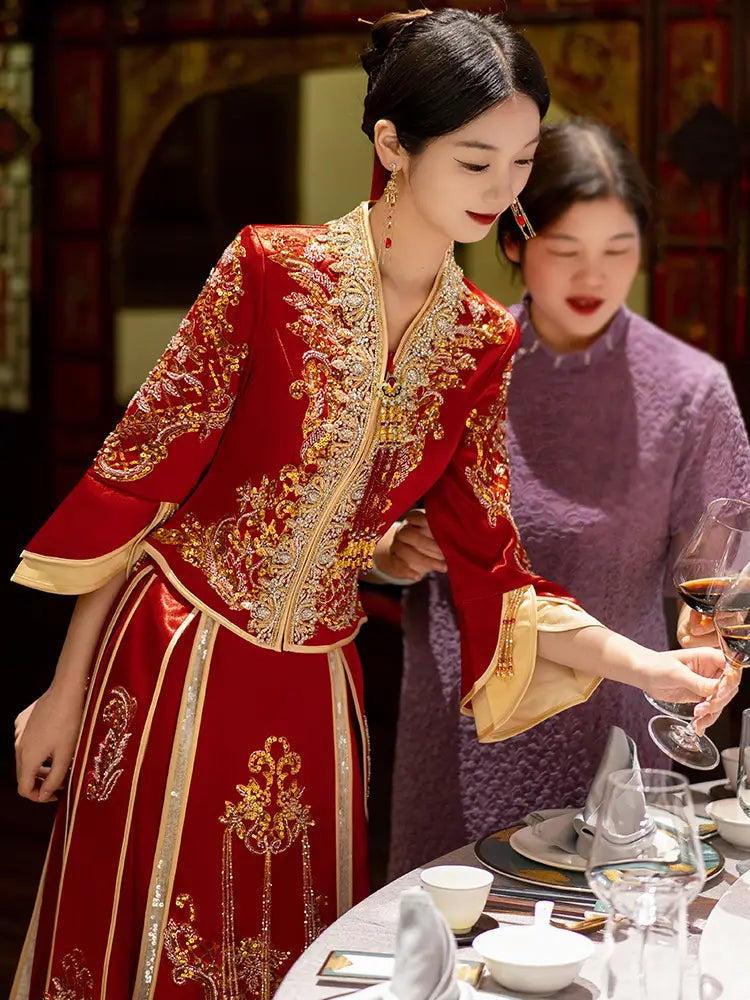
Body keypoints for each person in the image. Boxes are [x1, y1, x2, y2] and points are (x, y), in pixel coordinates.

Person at [12, 18, 733, 999]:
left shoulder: (478, 341)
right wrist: (64, 690)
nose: (503, 189)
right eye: (477, 159)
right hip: (178, 658)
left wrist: (649, 664)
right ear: (393, 144)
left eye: (521, 161)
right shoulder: (267, 270)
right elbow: (145, 482)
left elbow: (498, 573)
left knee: (295, 959)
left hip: (321, 695)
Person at [381, 118, 750, 880]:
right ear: (514, 242)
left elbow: (727, 557)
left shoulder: (688, 389)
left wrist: (711, 628)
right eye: (566, 250)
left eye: (618, 250)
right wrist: (390, 551)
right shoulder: (453, 365)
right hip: (463, 716)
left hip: (619, 719)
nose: (595, 277)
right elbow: (352, 528)